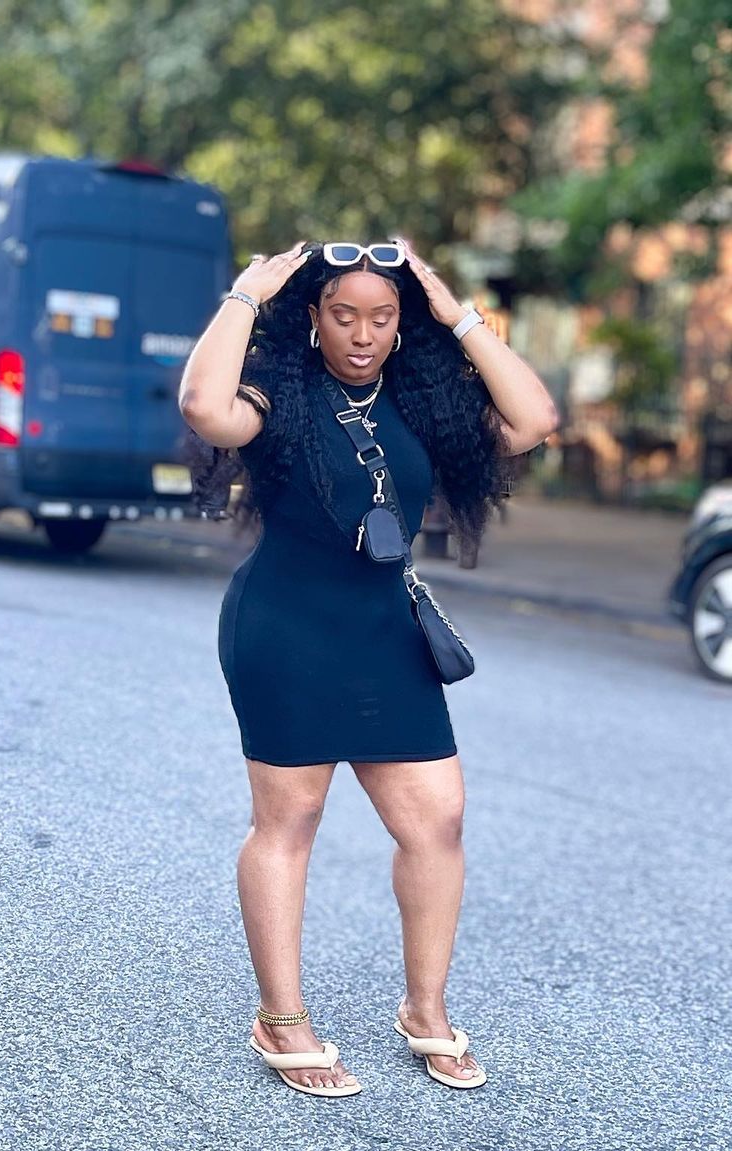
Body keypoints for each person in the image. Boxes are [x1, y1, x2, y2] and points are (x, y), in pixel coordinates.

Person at [178, 238, 558, 1098]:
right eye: (344, 315)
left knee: (438, 821)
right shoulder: (279, 392)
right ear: (314, 318)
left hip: (386, 630)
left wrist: (453, 310)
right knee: (290, 820)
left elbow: (534, 420)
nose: (362, 334)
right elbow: (204, 406)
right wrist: (245, 295)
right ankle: (281, 1016)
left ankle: (425, 1008)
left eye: (381, 318)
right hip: (285, 628)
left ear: (399, 325)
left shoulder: (424, 400)